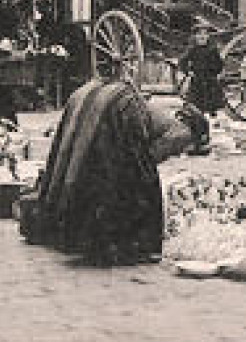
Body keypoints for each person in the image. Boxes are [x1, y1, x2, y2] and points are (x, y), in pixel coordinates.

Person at [22, 52, 167, 265]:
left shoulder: (80, 93)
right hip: (104, 182)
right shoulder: (127, 98)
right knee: (138, 180)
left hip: (75, 180)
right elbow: (138, 148)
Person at [179, 22, 228, 115]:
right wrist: (188, 72)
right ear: (195, 36)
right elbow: (182, 61)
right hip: (197, 79)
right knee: (197, 101)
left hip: (210, 79)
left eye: (205, 34)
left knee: (212, 99)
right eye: (199, 34)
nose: (202, 36)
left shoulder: (212, 49)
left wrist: (217, 72)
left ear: (208, 36)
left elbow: (219, 63)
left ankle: (212, 113)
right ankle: (198, 114)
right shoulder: (192, 49)